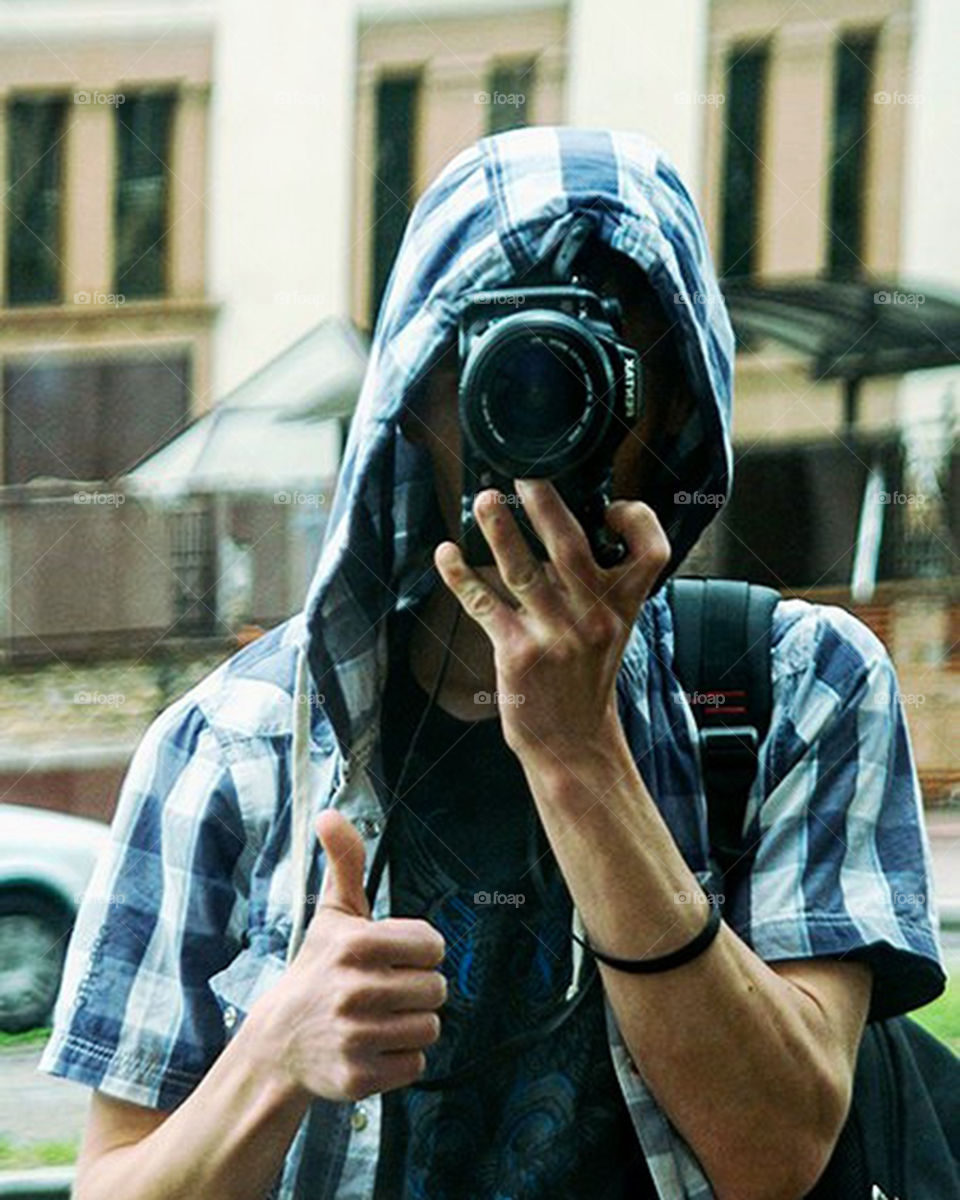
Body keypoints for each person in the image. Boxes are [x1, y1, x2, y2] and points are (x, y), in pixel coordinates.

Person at [39, 126, 947, 1200]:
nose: (540, 418)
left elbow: (778, 1155)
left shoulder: (796, 688)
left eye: (598, 369)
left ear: (669, 413)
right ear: (416, 399)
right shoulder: (229, 745)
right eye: (497, 365)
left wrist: (580, 756)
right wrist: (274, 1055)